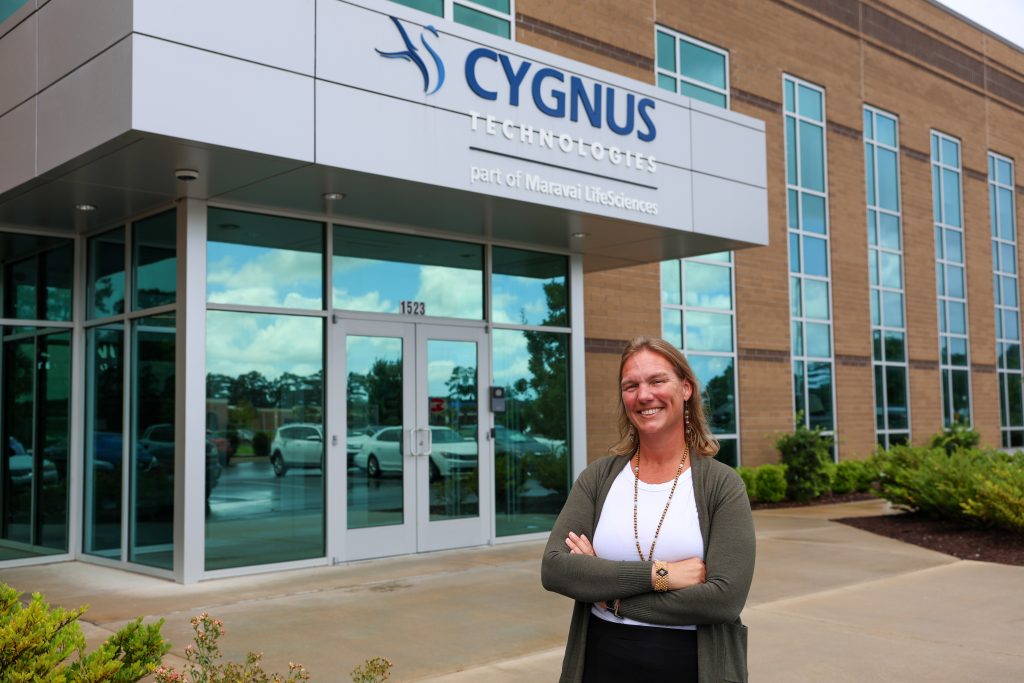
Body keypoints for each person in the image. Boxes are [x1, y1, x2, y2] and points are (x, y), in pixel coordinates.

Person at [541, 336, 755, 683]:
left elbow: (723, 600)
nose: (644, 395)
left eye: (657, 381)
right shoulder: (599, 477)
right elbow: (555, 569)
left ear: (686, 388)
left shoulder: (722, 485)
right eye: (631, 385)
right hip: (600, 662)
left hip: (691, 666)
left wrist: (611, 597)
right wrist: (660, 575)